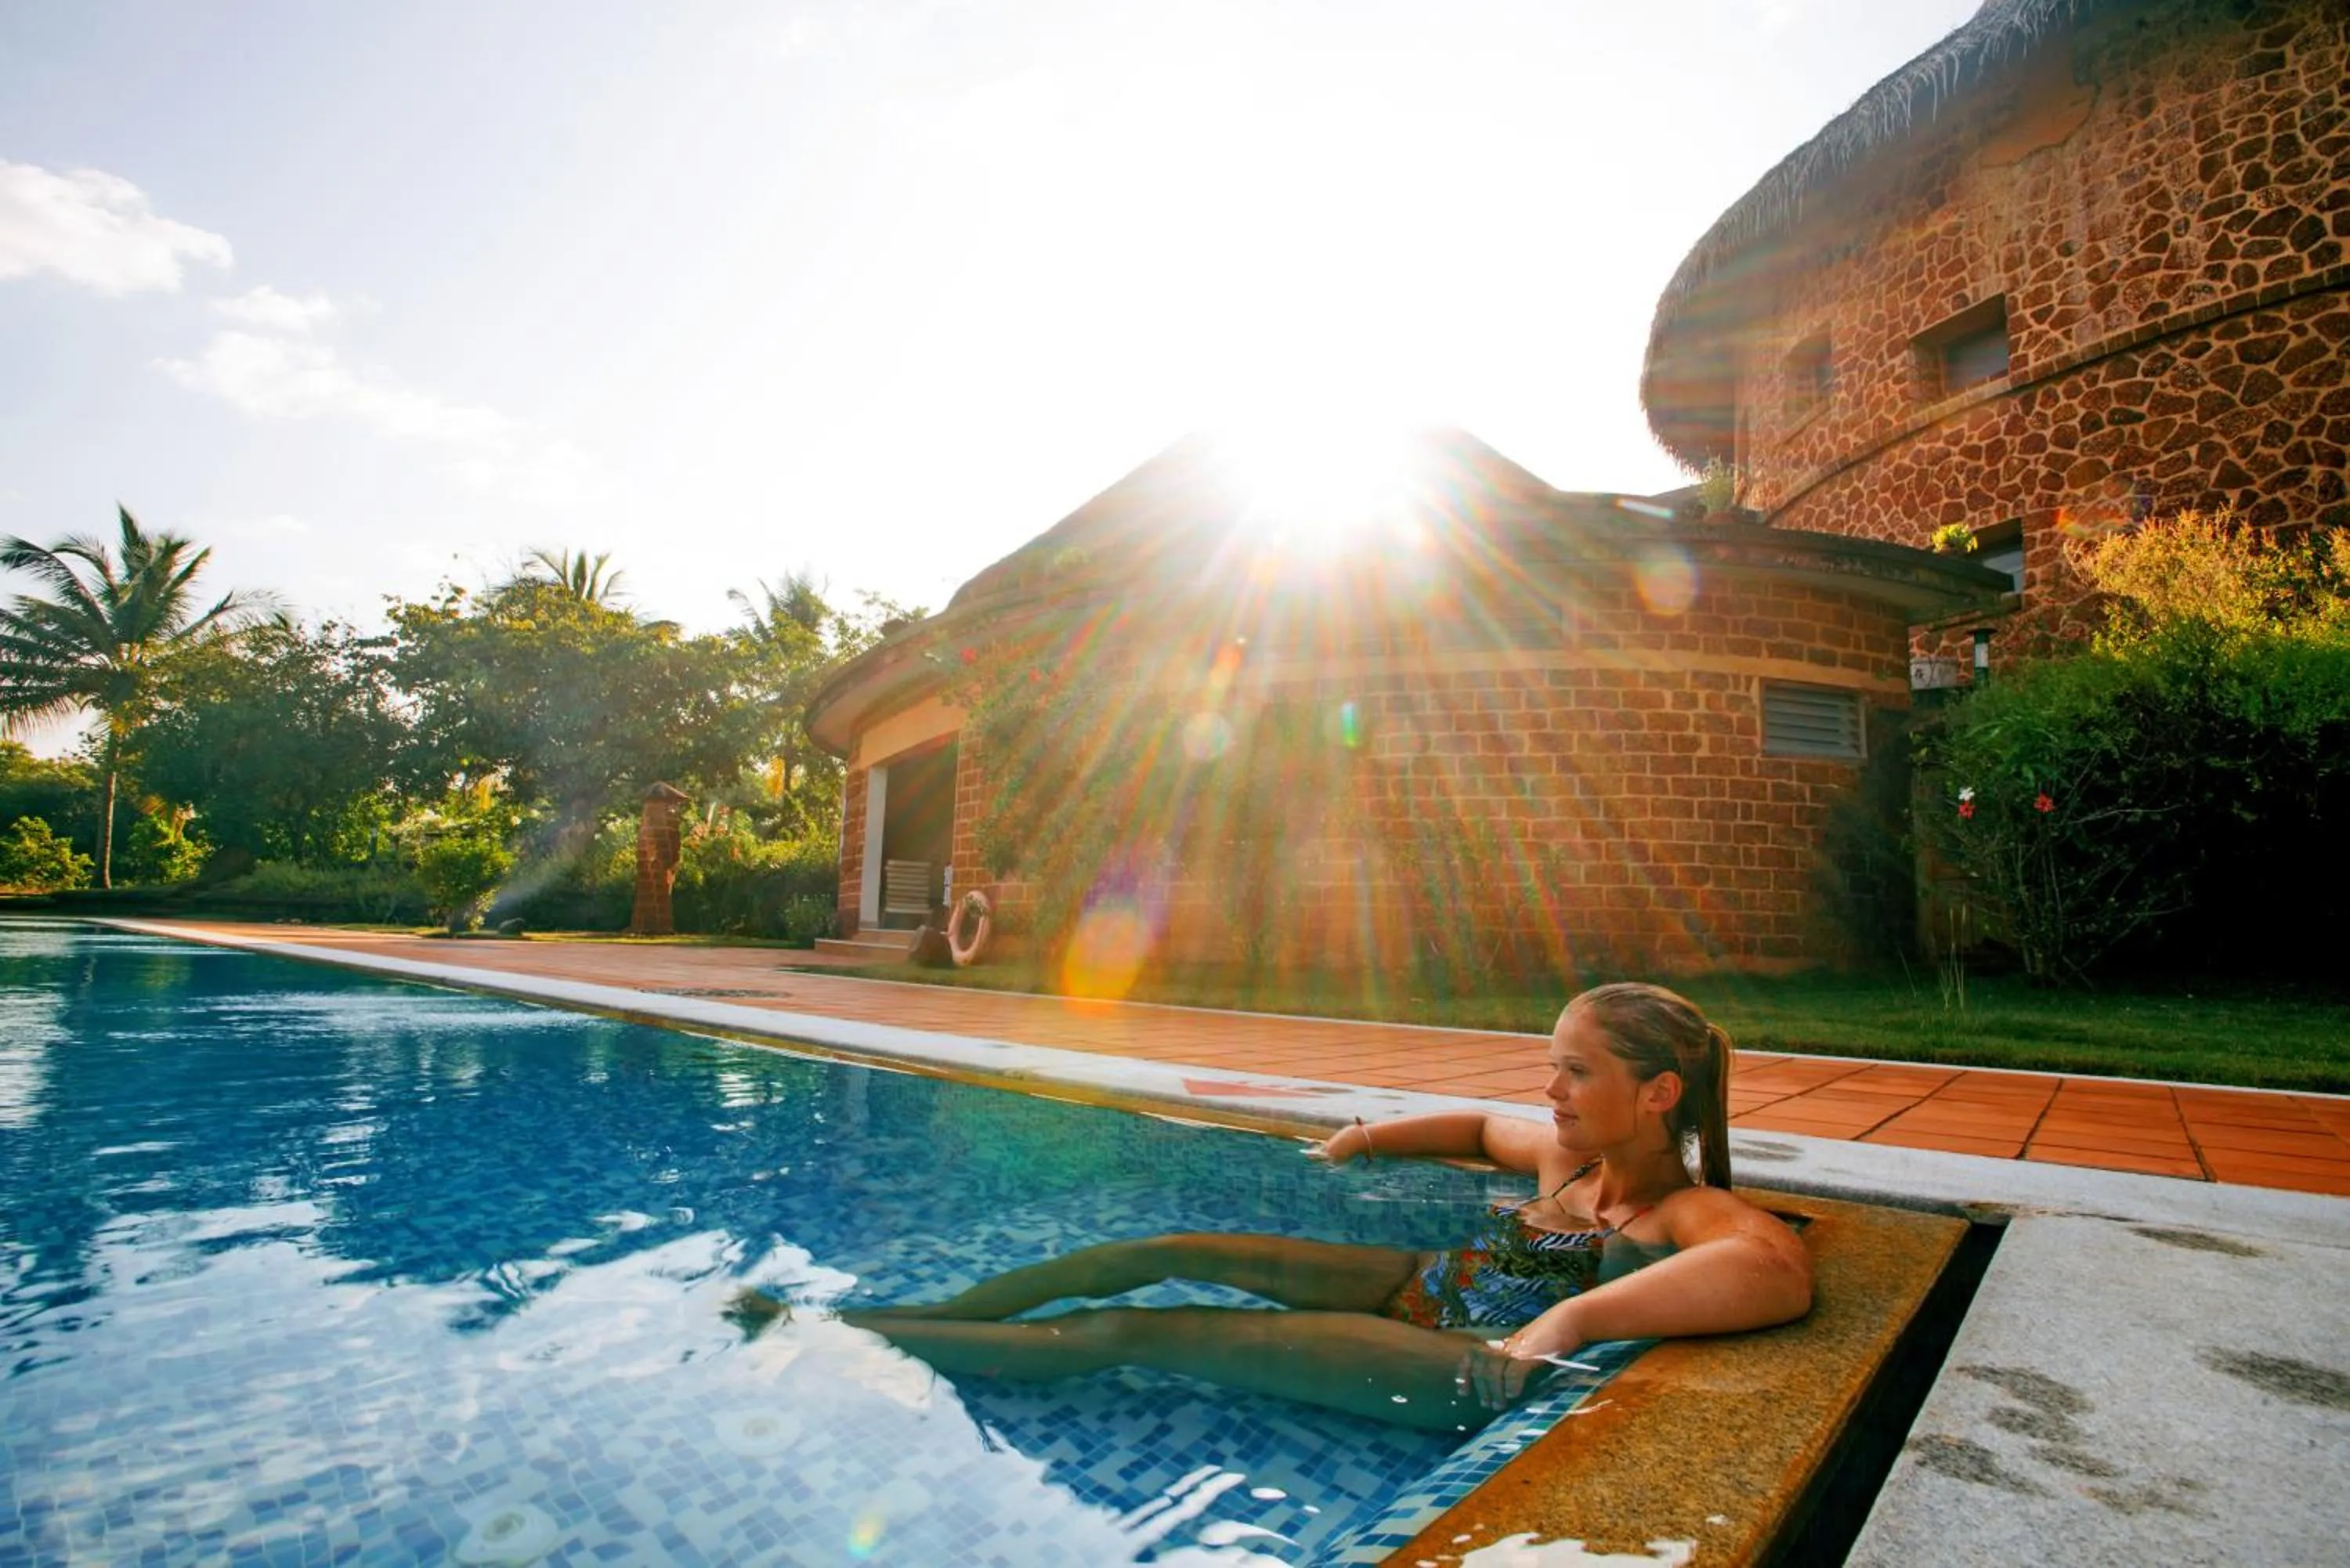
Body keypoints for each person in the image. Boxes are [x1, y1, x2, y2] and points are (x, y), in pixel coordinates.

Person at [765, 983, 1813, 1433]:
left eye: (1574, 1072)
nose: (1548, 1093)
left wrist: (1574, 1317)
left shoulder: (1683, 1212)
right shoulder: (1567, 1162)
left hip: (1470, 1363)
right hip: (1428, 1291)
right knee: (1162, 1247)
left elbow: (1773, 1266)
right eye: (1552, 1067)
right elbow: (1475, 1128)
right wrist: (1364, 1136)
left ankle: (840, 1334)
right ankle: (949, 1321)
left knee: (1135, 1330)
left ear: (1658, 1092)